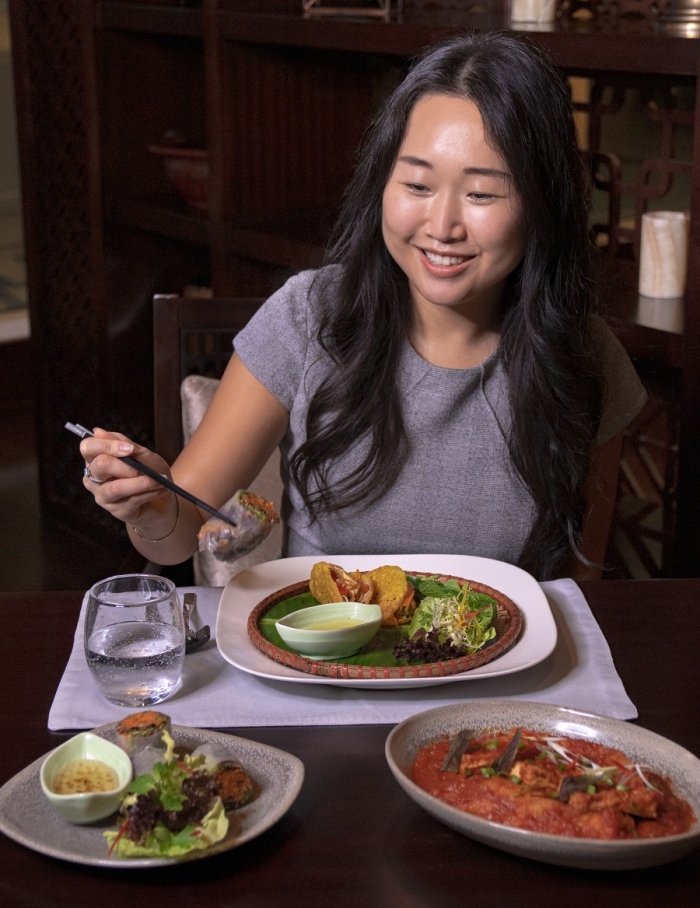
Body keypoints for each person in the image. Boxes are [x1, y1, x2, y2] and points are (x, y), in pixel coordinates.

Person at [80, 30, 646, 581]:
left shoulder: (585, 357)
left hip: (502, 647)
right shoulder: (307, 318)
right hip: (321, 644)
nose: (442, 226)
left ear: (542, 203)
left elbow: (577, 593)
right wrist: (151, 506)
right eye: (417, 186)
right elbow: (180, 531)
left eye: (481, 193)